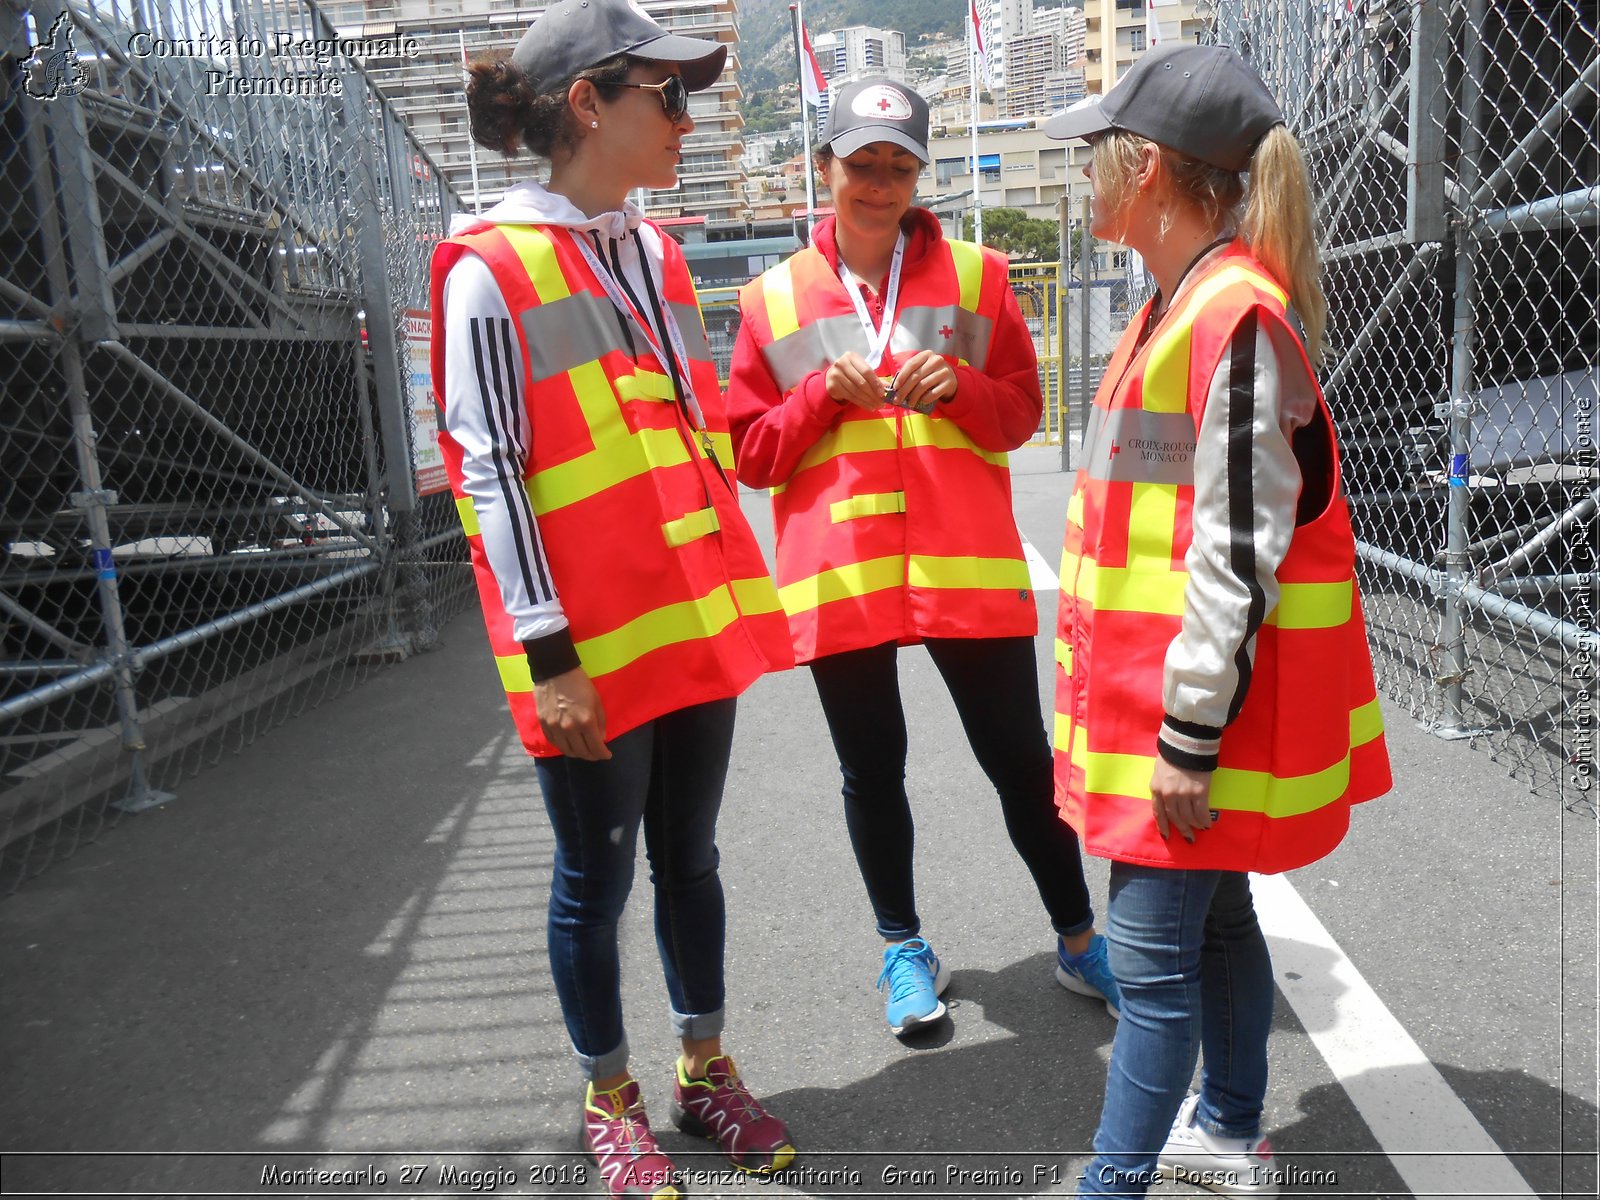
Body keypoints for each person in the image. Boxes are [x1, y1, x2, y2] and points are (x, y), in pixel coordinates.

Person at [431, 3, 797, 1195]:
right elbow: (488, 470)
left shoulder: (657, 252)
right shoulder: (489, 266)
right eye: (668, 97)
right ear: (589, 104)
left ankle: (704, 1071)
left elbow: (689, 424)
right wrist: (547, 654)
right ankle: (610, 1097)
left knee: (689, 856)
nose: (687, 121)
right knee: (594, 875)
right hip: (586, 646)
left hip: (685, 617)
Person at [1044, 44, 1394, 1197]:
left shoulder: (1225, 314)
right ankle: (1231, 1129)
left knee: (1149, 971)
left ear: (1143, 170)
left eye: (1095, 157)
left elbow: (1234, 554)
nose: (1081, 177)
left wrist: (1189, 735)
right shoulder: (1186, 301)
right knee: (1220, 927)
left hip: (1183, 720)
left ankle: (1114, 1181)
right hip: (1174, 705)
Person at [725, 77, 1121, 1040]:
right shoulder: (768, 299)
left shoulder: (982, 277)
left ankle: (1077, 938)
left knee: (1021, 766)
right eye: (861, 163)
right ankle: (903, 947)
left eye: (899, 165)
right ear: (824, 167)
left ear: (918, 173)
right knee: (874, 772)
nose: (879, 183)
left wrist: (963, 394)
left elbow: (1021, 416)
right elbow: (749, 451)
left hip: (963, 565)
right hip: (842, 574)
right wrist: (820, 396)